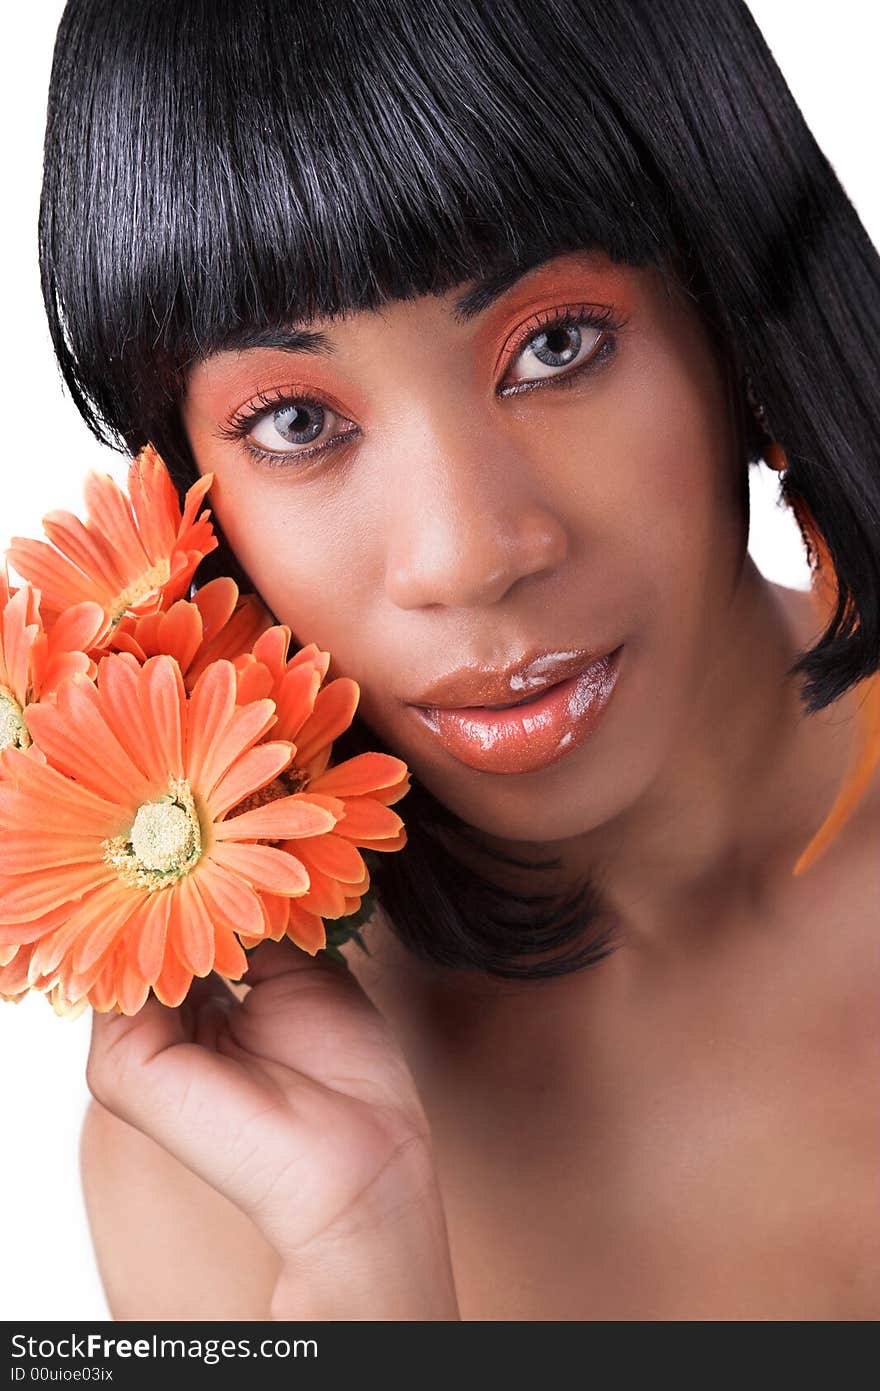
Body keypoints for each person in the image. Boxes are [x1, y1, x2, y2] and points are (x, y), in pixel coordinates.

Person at [36, 0, 879, 1320]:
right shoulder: (222, 1158)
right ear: (185, 496)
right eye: (299, 419)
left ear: (737, 316)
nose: (468, 557)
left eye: (557, 345)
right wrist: (360, 1263)